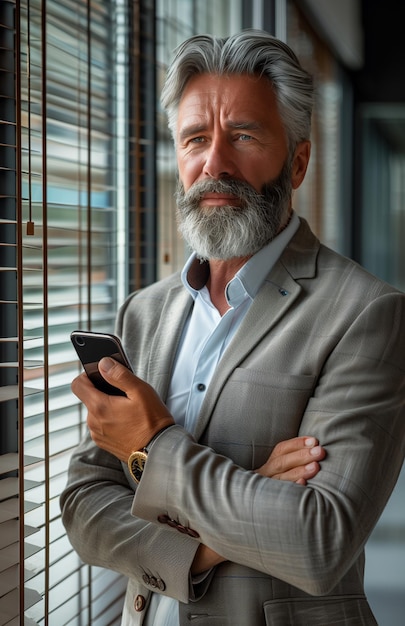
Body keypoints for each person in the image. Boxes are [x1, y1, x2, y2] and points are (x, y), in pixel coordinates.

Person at [60, 30, 405, 626]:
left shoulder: (366, 313)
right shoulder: (143, 312)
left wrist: (150, 448)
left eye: (243, 136)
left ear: (297, 162)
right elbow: (85, 508)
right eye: (196, 138)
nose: (214, 163)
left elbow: (317, 541)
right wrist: (213, 539)